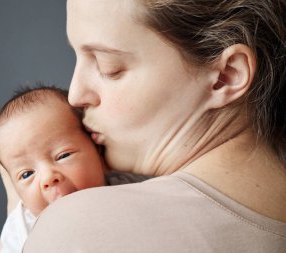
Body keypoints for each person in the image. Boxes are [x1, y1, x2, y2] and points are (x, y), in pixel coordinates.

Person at [21, 0, 286, 252]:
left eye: (108, 67)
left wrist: (20, 225)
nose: (75, 96)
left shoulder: (78, 228)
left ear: (226, 76)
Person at [0, 86, 150, 253]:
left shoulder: (129, 188)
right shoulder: (21, 228)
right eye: (27, 174)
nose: (48, 178)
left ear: (98, 151)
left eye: (63, 156)